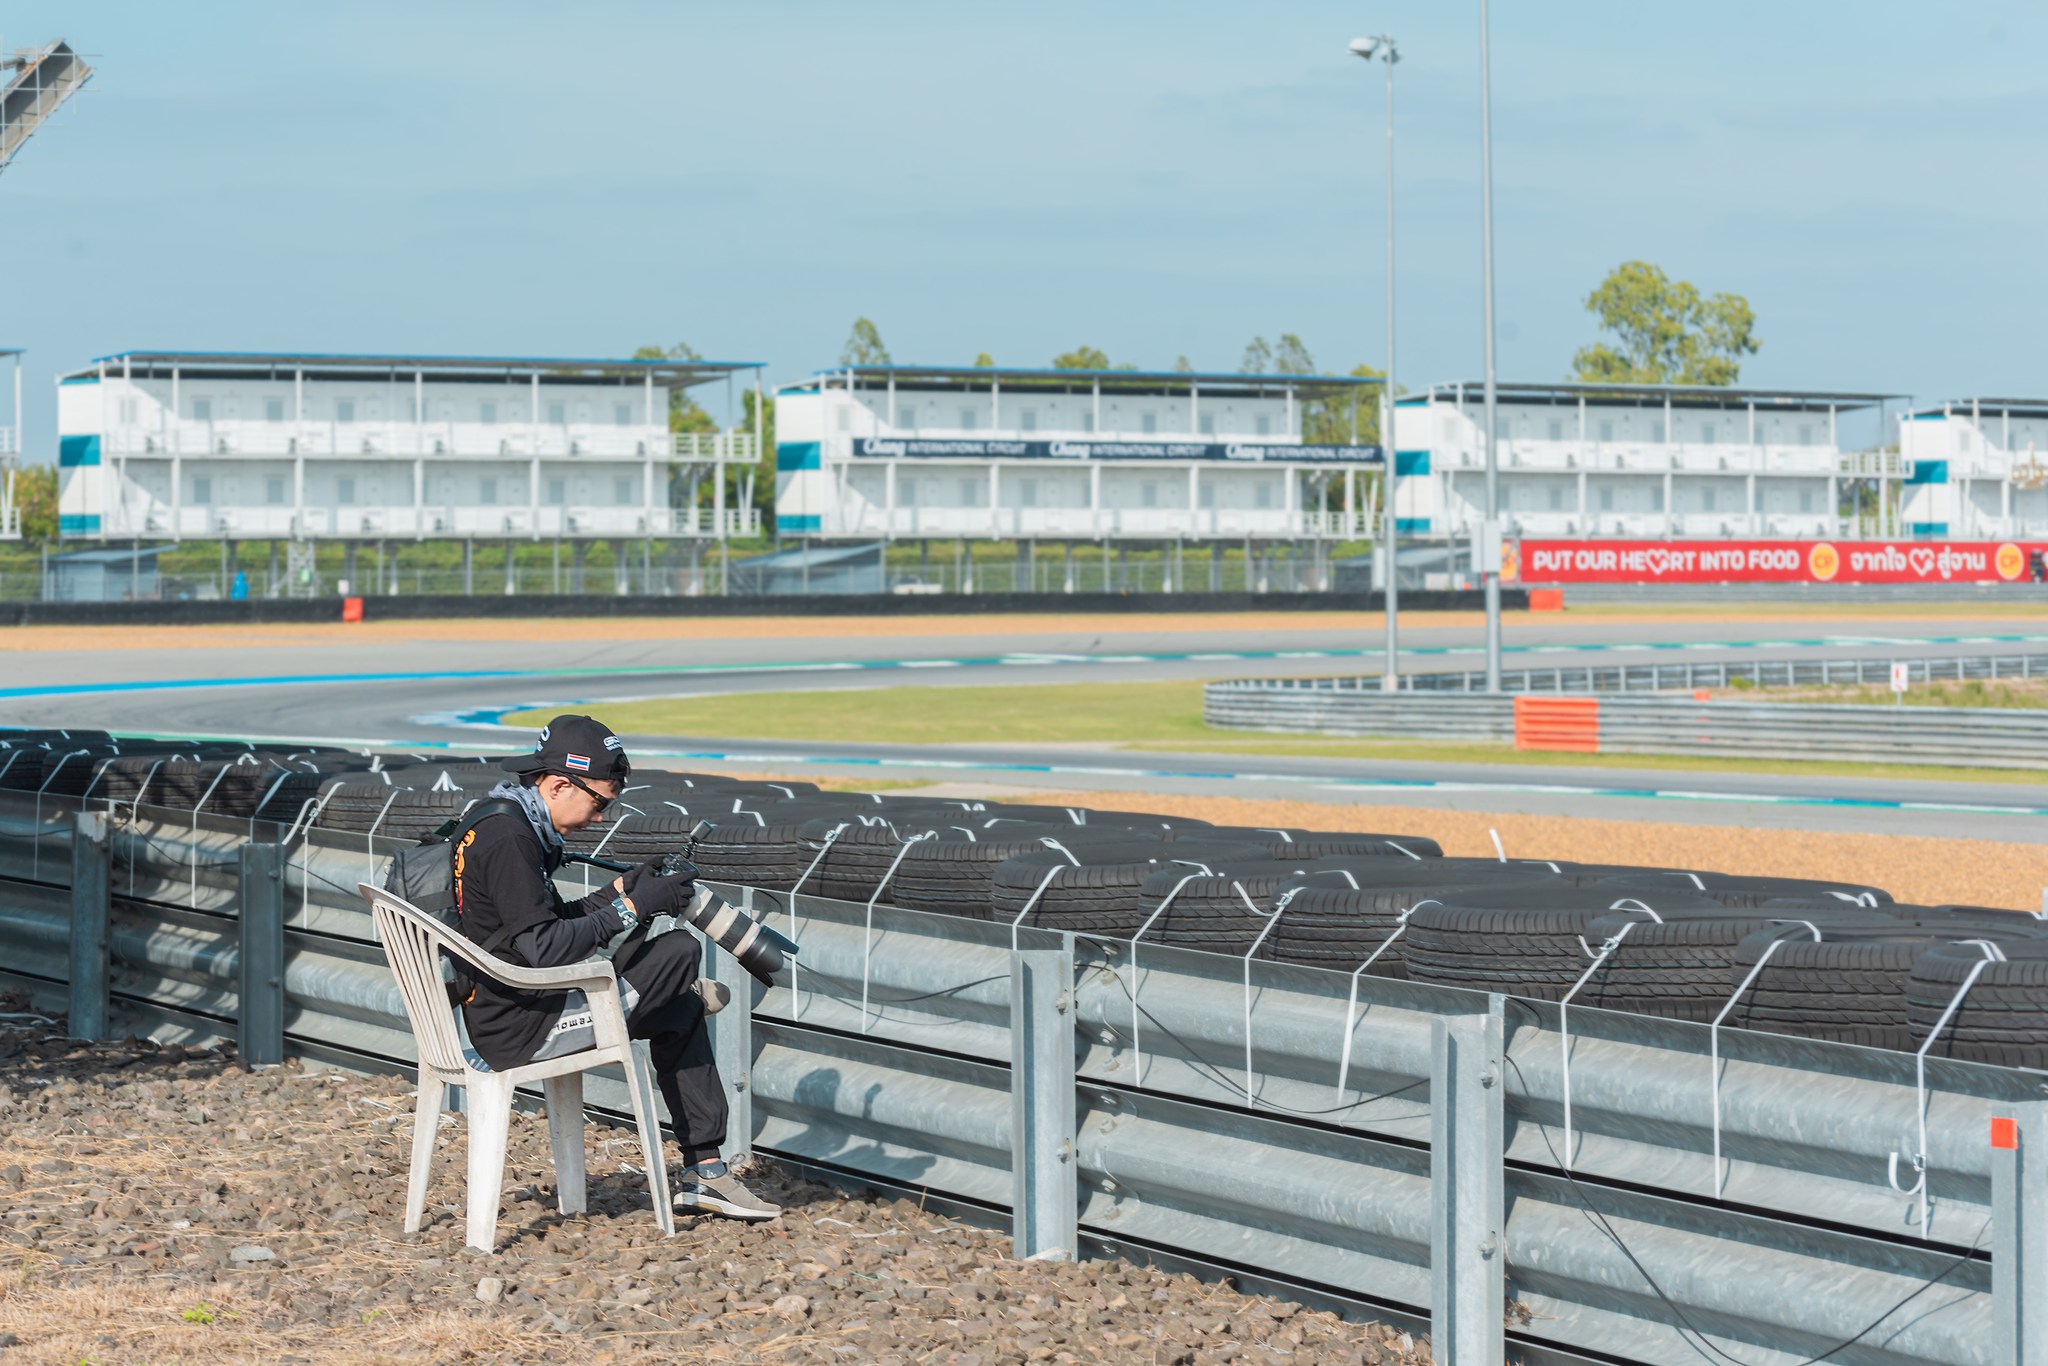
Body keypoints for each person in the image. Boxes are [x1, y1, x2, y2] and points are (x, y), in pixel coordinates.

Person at [454, 713, 781, 1221]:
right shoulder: (509, 840)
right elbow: (546, 949)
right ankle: (675, 992)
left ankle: (706, 1172)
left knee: (679, 1009)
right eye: (600, 803)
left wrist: (621, 891)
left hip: (513, 1005)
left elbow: (543, 924)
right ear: (559, 785)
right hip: (519, 1030)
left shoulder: (501, 820)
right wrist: (636, 908)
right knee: (679, 951)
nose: (601, 819)